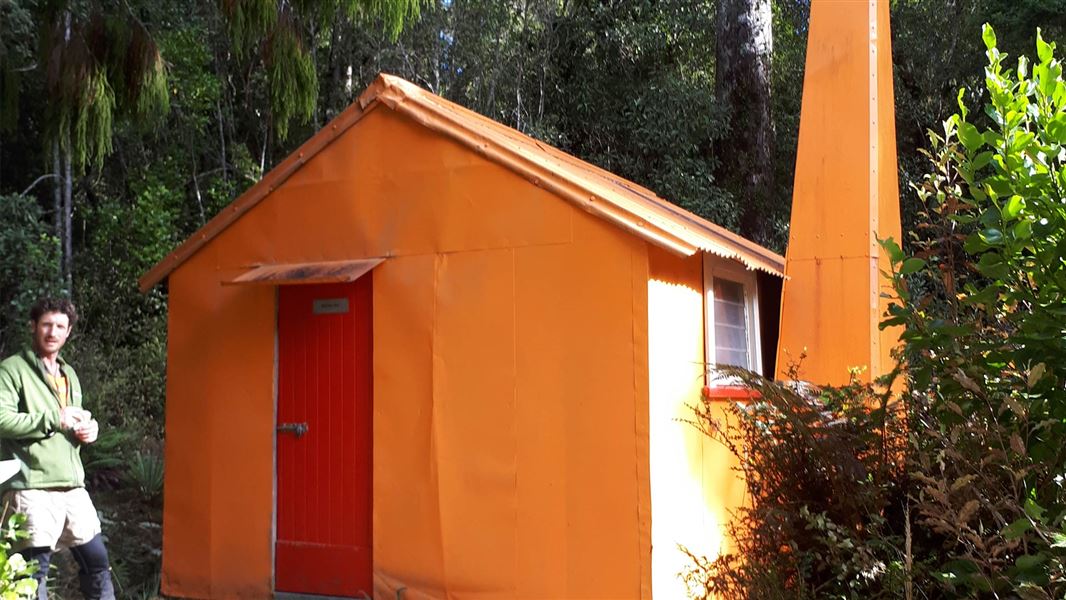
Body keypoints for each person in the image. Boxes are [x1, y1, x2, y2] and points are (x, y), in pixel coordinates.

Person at [0, 298, 114, 600]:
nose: (52, 332)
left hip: (72, 487)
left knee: (97, 563)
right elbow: (2, 419)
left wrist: (88, 429)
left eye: (60, 326)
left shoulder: (69, 374)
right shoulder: (12, 370)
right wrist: (55, 418)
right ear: (33, 327)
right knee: (32, 573)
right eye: (46, 324)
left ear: (69, 332)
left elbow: (70, 420)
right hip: (31, 487)